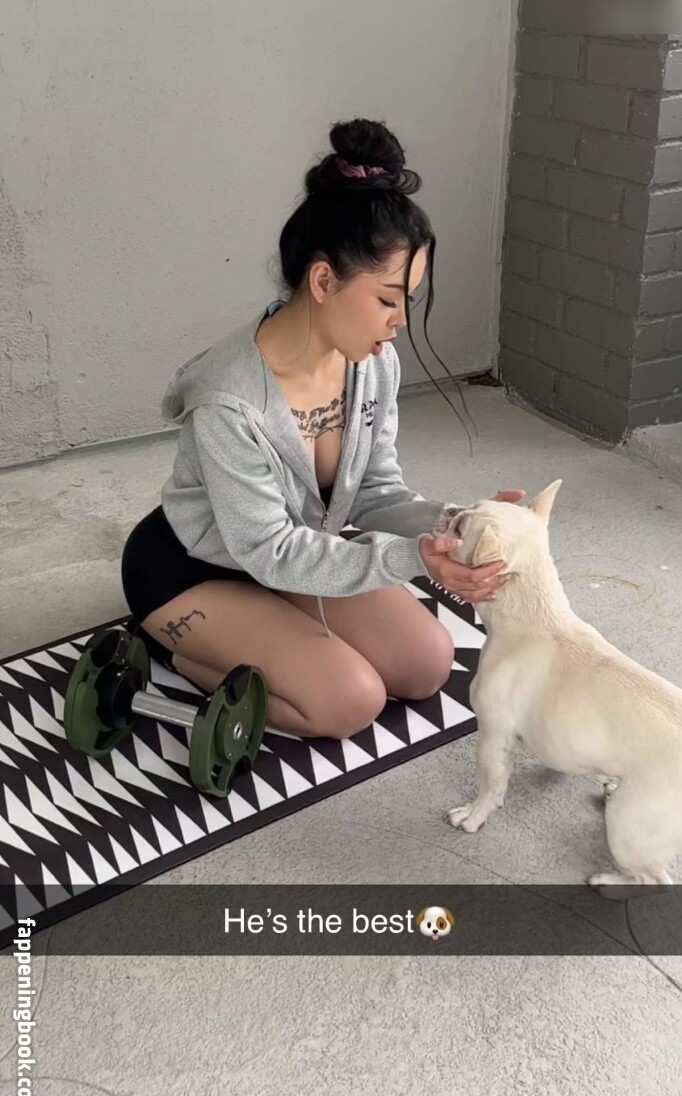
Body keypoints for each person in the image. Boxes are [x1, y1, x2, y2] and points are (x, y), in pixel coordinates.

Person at [121, 118, 524, 741]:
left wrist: (457, 526)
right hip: (195, 569)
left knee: (426, 663)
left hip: (293, 557)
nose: (399, 322)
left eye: (409, 301)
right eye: (387, 299)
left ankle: (278, 633)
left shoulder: (372, 365)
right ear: (323, 281)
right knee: (349, 701)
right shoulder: (229, 401)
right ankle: (174, 653)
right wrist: (409, 558)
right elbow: (270, 549)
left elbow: (376, 492)